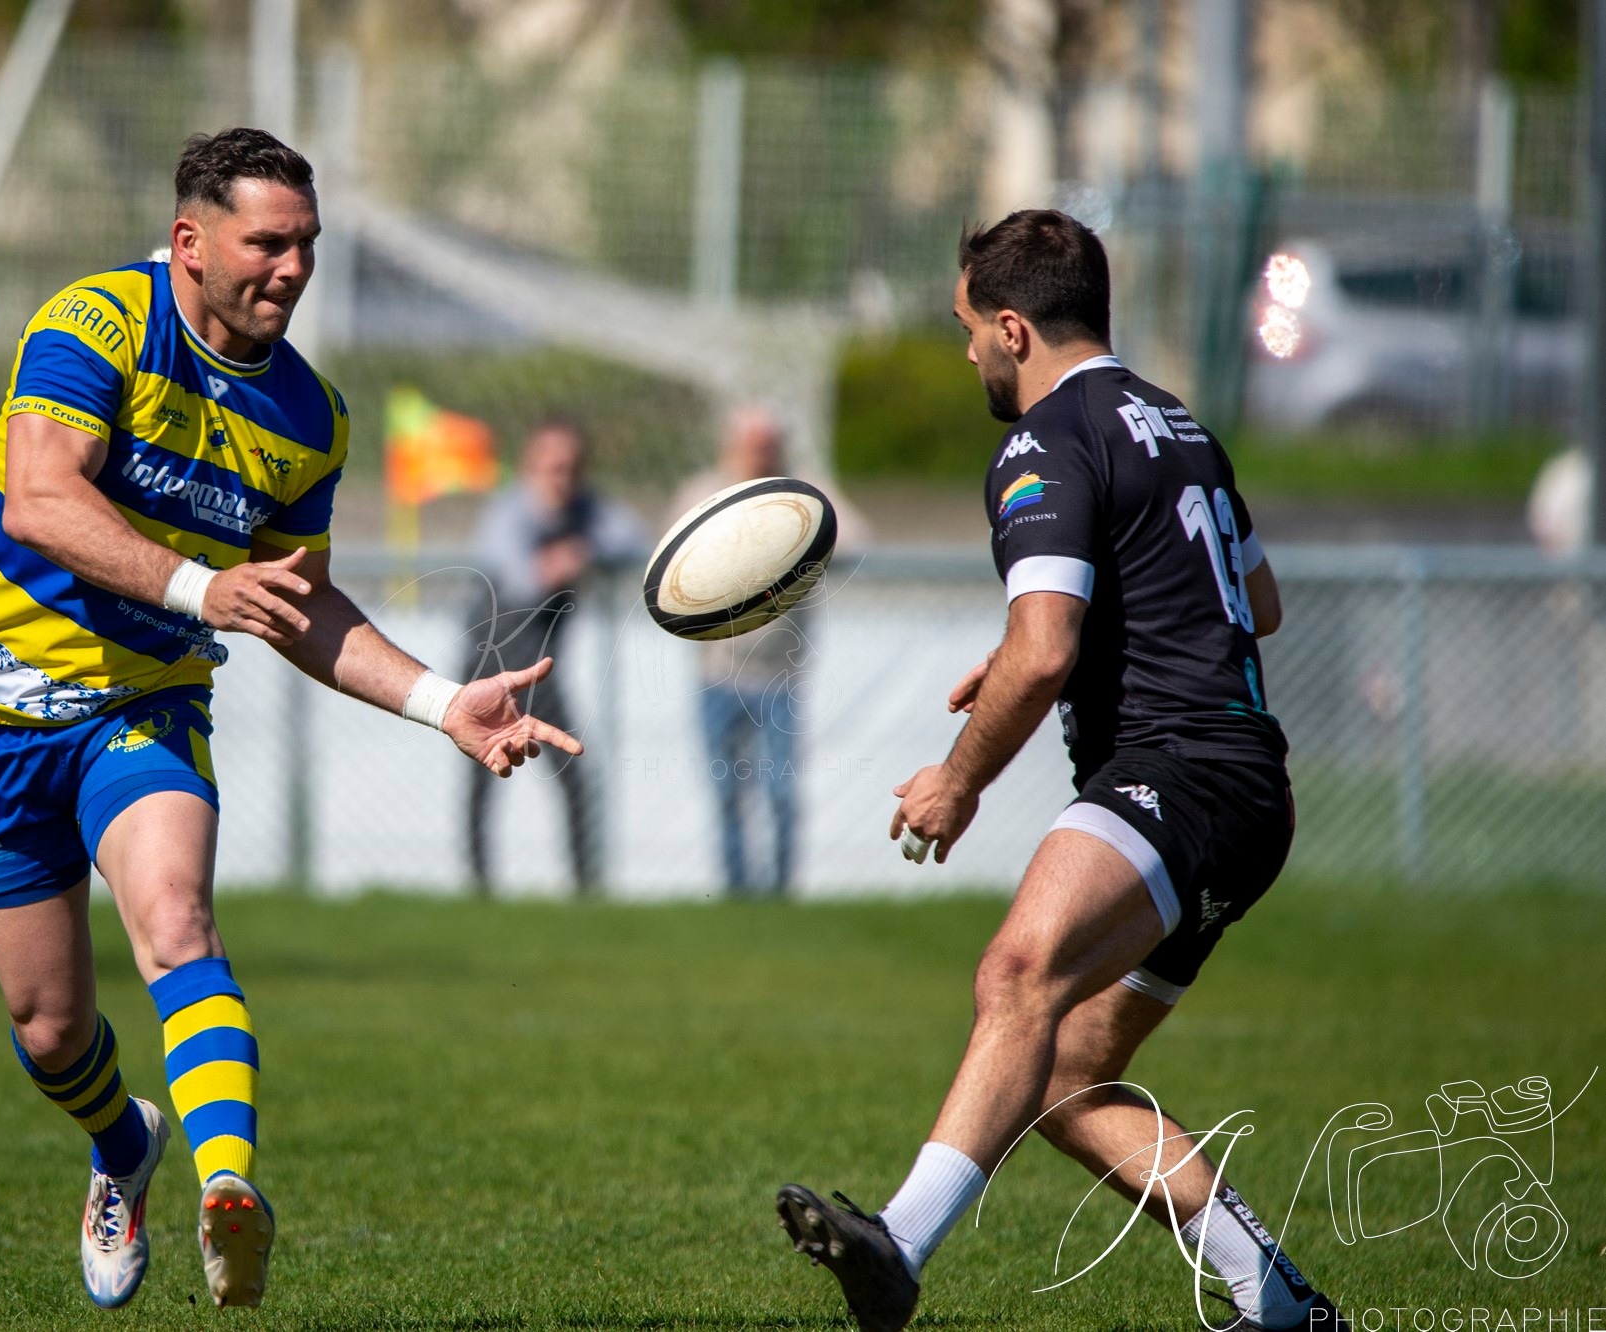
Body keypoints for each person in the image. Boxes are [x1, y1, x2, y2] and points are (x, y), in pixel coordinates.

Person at [0, 128, 580, 1312]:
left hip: (149, 700)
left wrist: (444, 703)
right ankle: (126, 1145)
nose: (290, 268)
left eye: (307, 246)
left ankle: (230, 1190)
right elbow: (37, 499)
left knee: (176, 919)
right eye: (266, 242)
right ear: (190, 240)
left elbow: (301, 603)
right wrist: (197, 586)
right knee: (47, 1026)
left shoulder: (309, 416)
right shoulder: (97, 323)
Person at [775, 211, 1345, 1332]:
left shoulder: (1043, 441)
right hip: (1246, 795)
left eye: (969, 332)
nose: (968, 356)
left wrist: (958, 778)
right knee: (1059, 1076)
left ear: (1012, 325)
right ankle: (1278, 1304)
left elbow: (1044, 657)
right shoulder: (1179, 424)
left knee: (1016, 973)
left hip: (1174, 776)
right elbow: (1257, 605)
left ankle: (898, 1244)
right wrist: (1052, 640)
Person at [463, 417, 645, 895]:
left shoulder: (585, 515)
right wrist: (562, 559)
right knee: (481, 778)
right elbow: (522, 577)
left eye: (570, 467)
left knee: (574, 774)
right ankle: (479, 890)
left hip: (541, 674)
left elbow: (632, 537)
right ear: (530, 466)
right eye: (551, 467)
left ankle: (584, 888)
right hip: (488, 666)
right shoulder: (510, 512)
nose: (561, 477)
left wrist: (580, 548)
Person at [667, 407, 829, 898]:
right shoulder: (702, 495)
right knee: (726, 793)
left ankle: (780, 894)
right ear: (730, 445)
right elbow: (669, 563)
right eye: (751, 443)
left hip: (779, 675)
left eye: (768, 443)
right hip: (717, 675)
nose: (759, 453)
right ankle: (737, 894)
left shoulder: (802, 495)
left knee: (780, 794)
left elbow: (856, 535)